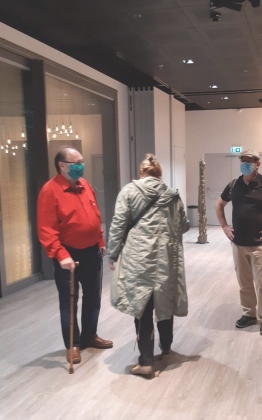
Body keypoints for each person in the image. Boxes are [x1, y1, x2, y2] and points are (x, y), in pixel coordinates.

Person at [107, 154, 189, 379]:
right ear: (159, 174)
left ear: (141, 172)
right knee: (165, 300)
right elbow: (183, 226)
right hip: (166, 257)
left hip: (138, 257)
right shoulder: (173, 195)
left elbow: (118, 225)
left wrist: (112, 254)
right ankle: (166, 348)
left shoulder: (129, 192)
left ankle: (145, 362)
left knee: (142, 304)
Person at [37, 147, 113, 365]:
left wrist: (100, 240)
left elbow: (95, 215)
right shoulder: (50, 191)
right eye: (76, 162)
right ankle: (73, 344)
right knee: (69, 300)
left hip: (91, 251)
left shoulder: (84, 185)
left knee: (93, 296)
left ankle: (90, 335)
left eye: (82, 161)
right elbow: (46, 229)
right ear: (62, 166)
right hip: (68, 253)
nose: (81, 165)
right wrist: (60, 254)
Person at [215, 149, 262, 336]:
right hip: (238, 244)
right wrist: (224, 226)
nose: (245, 164)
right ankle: (249, 314)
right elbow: (219, 204)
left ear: (257, 164)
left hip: (259, 244)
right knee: (244, 283)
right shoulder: (234, 185)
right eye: (243, 161)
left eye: (249, 161)